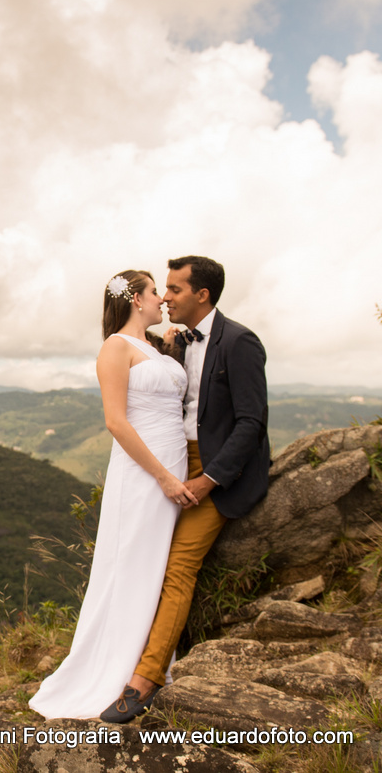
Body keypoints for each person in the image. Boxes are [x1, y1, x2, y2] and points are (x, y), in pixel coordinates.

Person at [100, 255, 270, 723]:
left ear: (202, 295)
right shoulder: (164, 343)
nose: (167, 297)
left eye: (174, 289)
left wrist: (208, 479)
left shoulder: (239, 341)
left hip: (215, 474)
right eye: (163, 289)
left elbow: (252, 422)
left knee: (177, 566)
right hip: (172, 464)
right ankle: (115, 654)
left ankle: (145, 681)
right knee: (143, 559)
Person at [29, 269, 197, 720]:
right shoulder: (114, 347)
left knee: (159, 566)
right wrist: (162, 476)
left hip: (173, 463)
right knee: (132, 565)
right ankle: (114, 671)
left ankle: (152, 663)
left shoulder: (155, 346)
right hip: (146, 473)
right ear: (135, 300)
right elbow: (116, 421)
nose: (162, 298)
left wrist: (175, 344)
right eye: (154, 292)